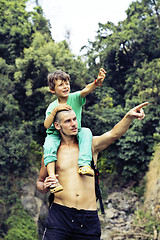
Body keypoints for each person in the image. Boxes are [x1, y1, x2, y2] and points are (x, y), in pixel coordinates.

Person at [37, 101, 148, 240]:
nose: (73, 124)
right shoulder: (51, 154)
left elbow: (113, 134)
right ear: (57, 125)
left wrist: (128, 117)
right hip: (60, 215)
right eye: (68, 121)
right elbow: (40, 183)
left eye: (74, 119)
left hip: (87, 218)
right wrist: (45, 186)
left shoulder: (90, 146)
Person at [43, 69, 106, 193]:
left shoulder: (75, 97)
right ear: (53, 90)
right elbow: (46, 125)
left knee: (87, 132)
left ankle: (84, 164)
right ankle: (52, 178)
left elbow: (86, 90)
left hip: (75, 131)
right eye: (61, 85)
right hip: (55, 134)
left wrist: (96, 82)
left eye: (67, 83)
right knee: (49, 146)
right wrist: (56, 110)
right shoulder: (52, 106)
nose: (65, 86)